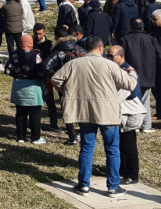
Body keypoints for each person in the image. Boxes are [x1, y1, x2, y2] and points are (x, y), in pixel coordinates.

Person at [50, 37, 138, 198]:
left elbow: (55, 79)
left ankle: (83, 185)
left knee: (87, 148)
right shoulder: (110, 65)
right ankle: (113, 186)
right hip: (107, 112)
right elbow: (130, 85)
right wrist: (132, 73)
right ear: (101, 48)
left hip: (85, 112)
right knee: (112, 149)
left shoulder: (73, 64)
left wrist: (68, 91)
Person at [106, 46, 148, 186]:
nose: (109, 58)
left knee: (129, 145)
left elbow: (128, 93)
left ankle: (132, 174)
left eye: (111, 56)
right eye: (108, 55)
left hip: (129, 113)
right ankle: (122, 170)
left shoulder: (128, 72)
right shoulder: (117, 69)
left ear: (121, 56)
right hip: (120, 112)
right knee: (121, 144)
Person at [119, 18, 160, 133]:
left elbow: (121, 56)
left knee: (131, 100)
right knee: (146, 100)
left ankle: (134, 125)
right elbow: (159, 56)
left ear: (131, 27)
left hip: (130, 74)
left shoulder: (125, 39)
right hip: (148, 74)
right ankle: (146, 125)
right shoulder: (152, 39)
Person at [7, 35, 45, 144]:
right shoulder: (35, 55)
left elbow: (7, 69)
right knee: (35, 113)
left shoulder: (14, 54)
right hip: (33, 87)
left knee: (20, 112)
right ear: (31, 44)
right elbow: (41, 70)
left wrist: (18, 75)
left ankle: (20, 137)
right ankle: (35, 137)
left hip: (18, 86)